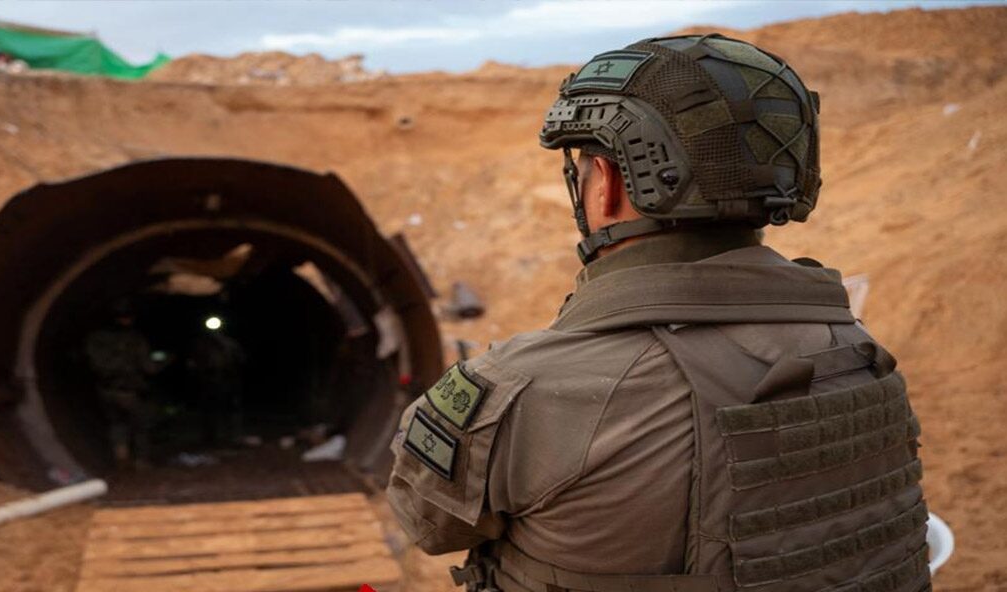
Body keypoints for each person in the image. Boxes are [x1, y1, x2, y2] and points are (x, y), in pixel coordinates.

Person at [387, 34, 929, 592]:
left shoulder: (525, 389)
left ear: (608, 184)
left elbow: (424, 519)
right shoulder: (858, 351)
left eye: (584, 170)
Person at [84, 298, 161, 468]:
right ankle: (141, 459)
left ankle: (121, 455)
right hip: (128, 390)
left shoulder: (96, 338)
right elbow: (148, 367)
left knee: (117, 423)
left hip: (105, 389)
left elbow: (91, 362)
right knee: (141, 424)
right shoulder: (134, 339)